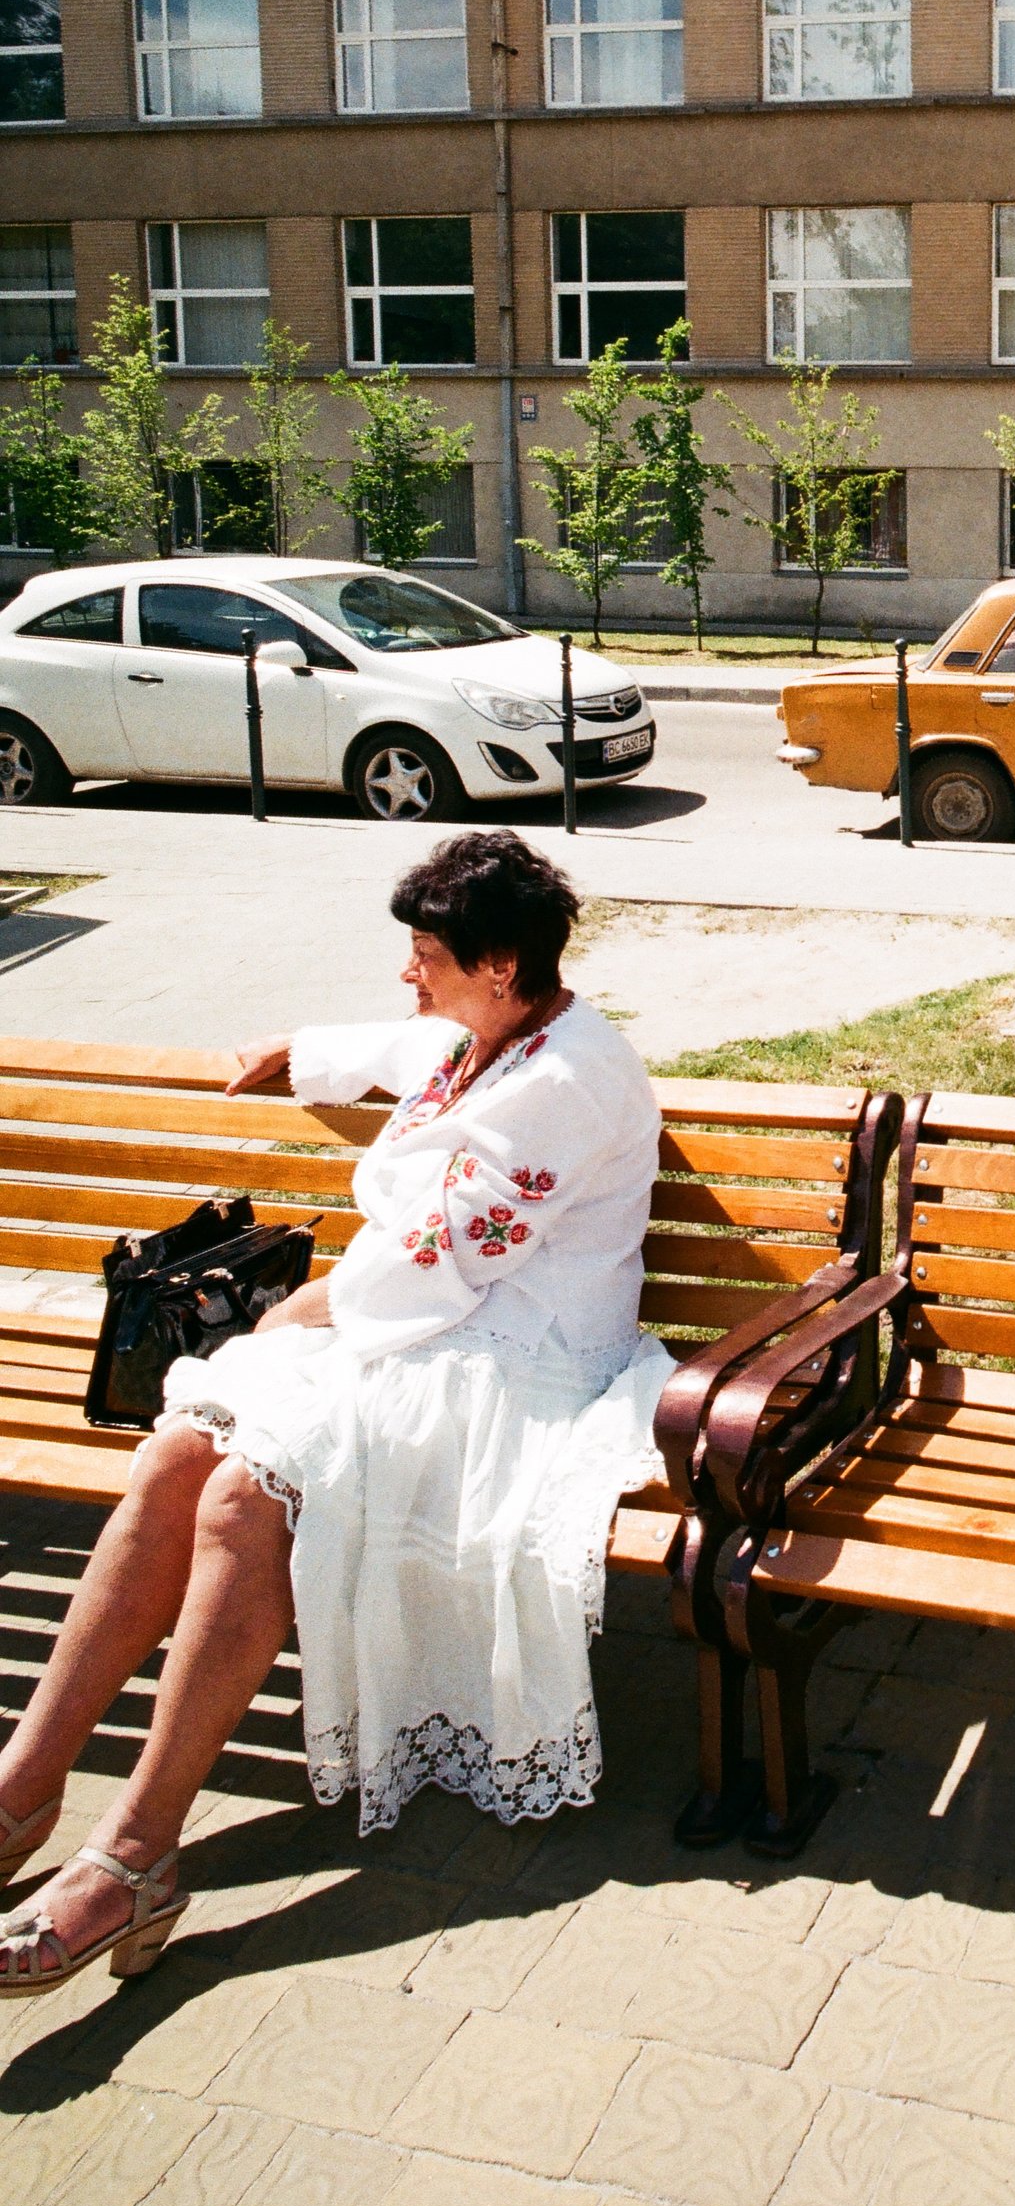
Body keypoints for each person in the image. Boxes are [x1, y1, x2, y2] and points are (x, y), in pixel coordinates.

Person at [0, 831, 667, 1999]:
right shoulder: (504, 1024)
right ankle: (22, 1785)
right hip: (420, 1331)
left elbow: (438, 1260)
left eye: (426, 954)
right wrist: (301, 1050)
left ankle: (139, 1853)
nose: (409, 973)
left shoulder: (569, 1086)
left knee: (249, 1493)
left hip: (510, 1366)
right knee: (175, 1457)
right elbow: (416, 1042)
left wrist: (297, 1310)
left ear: (498, 964)